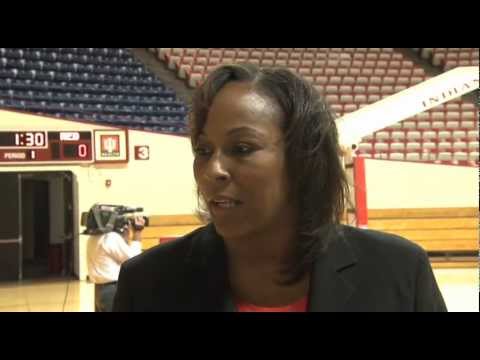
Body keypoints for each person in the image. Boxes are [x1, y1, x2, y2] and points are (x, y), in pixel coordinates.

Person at [113, 63, 447, 312]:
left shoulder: (399, 271)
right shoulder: (148, 283)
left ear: (304, 158)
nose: (213, 170)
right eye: (203, 150)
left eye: (242, 149)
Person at [86, 205, 145, 312]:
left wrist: (125, 240)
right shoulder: (110, 238)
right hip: (111, 290)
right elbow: (134, 260)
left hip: (98, 289)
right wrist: (137, 233)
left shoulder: (93, 238)